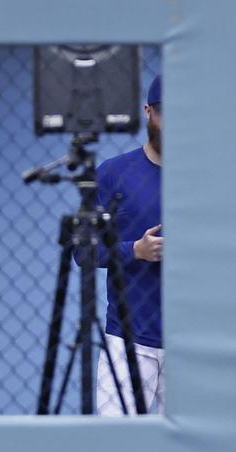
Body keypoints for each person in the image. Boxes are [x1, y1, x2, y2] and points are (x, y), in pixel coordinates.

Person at [90, 73, 165, 415]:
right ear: (148, 112)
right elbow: (85, 251)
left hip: (192, 342)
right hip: (128, 337)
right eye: (166, 113)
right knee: (114, 444)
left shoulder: (204, 178)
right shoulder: (113, 173)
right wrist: (135, 250)